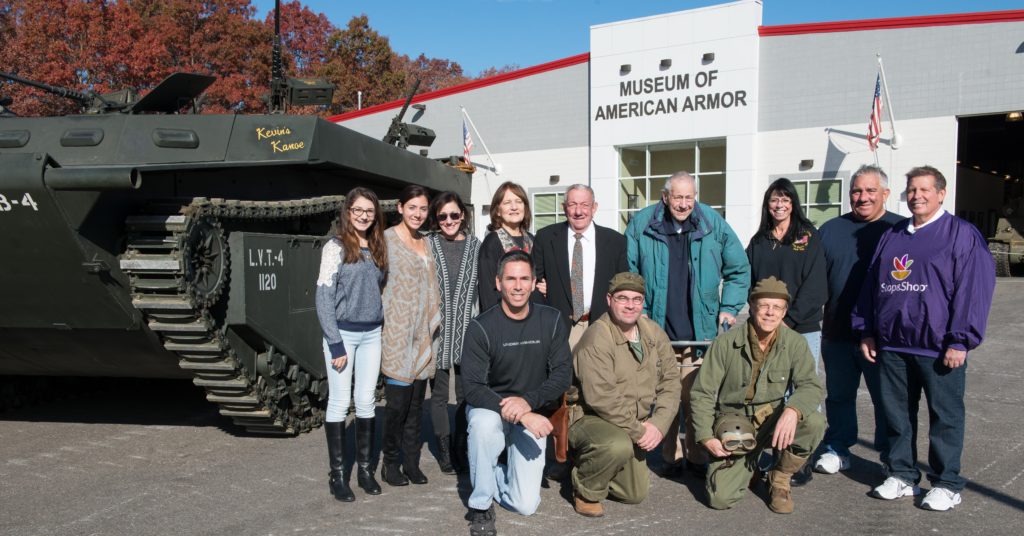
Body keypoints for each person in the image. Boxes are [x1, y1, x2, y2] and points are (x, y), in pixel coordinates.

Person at [853, 165, 995, 512]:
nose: (917, 196)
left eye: (924, 190)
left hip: (938, 347)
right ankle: (902, 475)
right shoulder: (895, 234)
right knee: (896, 415)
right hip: (893, 345)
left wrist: (961, 340)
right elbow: (872, 283)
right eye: (912, 190)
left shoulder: (961, 234)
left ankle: (947, 483)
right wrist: (867, 330)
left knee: (944, 416)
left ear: (941, 193)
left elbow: (972, 289)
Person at [625, 170, 750, 477]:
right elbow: (628, 271)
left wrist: (730, 307)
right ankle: (670, 456)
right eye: (677, 197)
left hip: (700, 333)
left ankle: (696, 456)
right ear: (664, 197)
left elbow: (739, 269)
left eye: (689, 197)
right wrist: (635, 308)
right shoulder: (642, 224)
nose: (683, 204)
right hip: (657, 330)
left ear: (696, 196)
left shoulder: (713, 224)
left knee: (696, 397)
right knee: (664, 398)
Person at [690, 277, 825, 514]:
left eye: (777, 307)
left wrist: (793, 411)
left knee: (813, 422)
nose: (770, 313)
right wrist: (705, 437)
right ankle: (748, 467)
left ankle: (779, 478)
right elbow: (701, 393)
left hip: (772, 418)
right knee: (720, 499)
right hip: (734, 425)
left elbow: (810, 386)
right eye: (764, 305)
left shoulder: (795, 343)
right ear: (752, 307)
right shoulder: (725, 343)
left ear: (784, 312)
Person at [462, 250, 571, 536]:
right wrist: (520, 413)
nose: (518, 286)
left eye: (524, 278)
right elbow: (471, 387)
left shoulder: (552, 320)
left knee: (525, 505)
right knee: (483, 425)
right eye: (511, 279)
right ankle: (481, 505)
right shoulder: (480, 328)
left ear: (535, 283)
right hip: (493, 410)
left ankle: (490, 469)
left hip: (532, 412)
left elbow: (562, 375)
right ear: (498, 283)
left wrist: (528, 404)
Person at [568, 272, 681, 517]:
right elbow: (602, 399)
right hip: (591, 418)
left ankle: (597, 463)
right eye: (622, 298)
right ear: (609, 300)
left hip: (631, 423)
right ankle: (586, 488)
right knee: (616, 446)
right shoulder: (597, 338)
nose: (630, 305)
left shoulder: (652, 332)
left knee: (634, 494)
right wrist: (640, 432)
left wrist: (659, 425)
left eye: (636, 299)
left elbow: (671, 381)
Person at [814, 165, 902, 475]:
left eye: (870, 191)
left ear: (885, 194)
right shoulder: (830, 230)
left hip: (883, 338)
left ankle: (892, 459)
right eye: (856, 191)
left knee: (887, 401)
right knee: (839, 396)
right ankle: (838, 447)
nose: (862, 197)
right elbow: (814, 279)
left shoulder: (900, 231)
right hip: (837, 333)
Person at [745, 177, 826, 485]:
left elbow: (816, 287)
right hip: (765, 329)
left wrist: (787, 321)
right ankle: (774, 456)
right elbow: (751, 281)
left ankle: (798, 463)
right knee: (772, 393)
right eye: (773, 200)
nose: (779, 205)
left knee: (802, 393)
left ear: (793, 203)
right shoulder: (760, 240)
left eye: (785, 200)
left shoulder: (807, 237)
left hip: (801, 328)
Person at [315, 187, 388, 501]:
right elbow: (323, 297)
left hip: (372, 334)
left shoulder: (377, 246)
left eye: (369, 211)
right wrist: (335, 344)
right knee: (340, 402)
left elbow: (379, 286)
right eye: (358, 210)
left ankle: (366, 472)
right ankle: (339, 475)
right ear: (348, 212)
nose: (363, 215)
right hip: (342, 335)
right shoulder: (335, 247)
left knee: (367, 401)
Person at [380, 185, 441, 487]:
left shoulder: (427, 243)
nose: (418, 214)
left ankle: (411, 463)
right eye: (412, 207)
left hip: (422, 336)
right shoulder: (386, 241)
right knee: (396, 406)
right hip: (396, 333)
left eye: (423, 208)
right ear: (400, 207)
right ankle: (390, 463)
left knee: (417, 405)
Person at [425, 191, 480, 474]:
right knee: (438, 395)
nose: (449, 220)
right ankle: (444, 450)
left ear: (463, 215)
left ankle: (462, 445)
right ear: (436, 218)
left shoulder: (476, 245)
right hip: (435, 332)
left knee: (465, 394)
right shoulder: (427, 244)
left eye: (454, 215)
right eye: (442, 216)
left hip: (469, 332)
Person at [533, 184, 628, 347]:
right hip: (558, 329)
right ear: (564, 208)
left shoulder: (615, 241)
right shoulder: (545, 238)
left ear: (594, 208)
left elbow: (622, 286)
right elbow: (533, 283)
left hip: (602, 327)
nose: (578, 211)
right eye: (572, 205)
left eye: (585, 205)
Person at [478, 182, 537, 312]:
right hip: (504, 317)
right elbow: (487, 291)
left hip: (531, 315)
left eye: (519, 201)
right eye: (507, 203)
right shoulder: (492, 243)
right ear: (498, 211)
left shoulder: (532, 240)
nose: (514, 207)